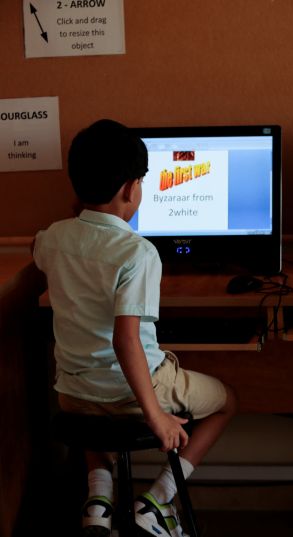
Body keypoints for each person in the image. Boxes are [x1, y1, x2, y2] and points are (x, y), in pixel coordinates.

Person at [32, 119, 237, 537]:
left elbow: (42, 254)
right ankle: (157, 501)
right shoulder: (138, 252)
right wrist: (155, 415)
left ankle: (99, 499)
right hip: (133, 394)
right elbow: (126, 341)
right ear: (131, 189)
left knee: (91, 397)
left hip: (72, 397)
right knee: (227, 401)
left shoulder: (51, 239)